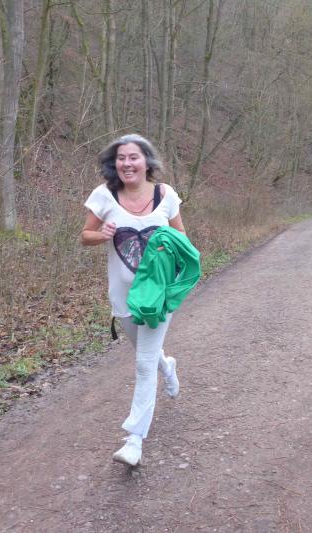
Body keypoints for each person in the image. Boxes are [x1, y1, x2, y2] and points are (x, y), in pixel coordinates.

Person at [81, 134, 187, 467]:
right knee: (146, 352)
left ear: (146, 162)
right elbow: (85, 236)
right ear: (114, 164)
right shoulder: (104, 195)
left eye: (133, 157)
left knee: (143, 363)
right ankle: (167, 366)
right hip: (123, 295)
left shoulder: (165, 195)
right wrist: (101, 235)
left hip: (157, 295)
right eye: (121, 158)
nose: (127, 163)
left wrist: (172, 257)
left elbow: (181, 237)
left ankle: (134, 440)